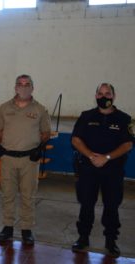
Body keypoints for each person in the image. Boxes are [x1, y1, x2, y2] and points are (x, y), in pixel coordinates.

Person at [71, 83, 133, 258]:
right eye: (100, 93)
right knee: (86, 205)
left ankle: (111, 241)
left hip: (113, 171)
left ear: (114, 96)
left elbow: (128, 144)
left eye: (108, 93)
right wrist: (91, 156)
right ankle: (83, 238)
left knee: (112, 206)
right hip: (88, 169)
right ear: (96, 96)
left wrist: (106, 158)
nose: (104, 96)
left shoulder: (125, 119)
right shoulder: (86, 116)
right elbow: (76, 140)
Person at [0, 74, 51, 245]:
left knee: (28, 195)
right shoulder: (4, 108)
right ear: (15, 87)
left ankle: (26, 229)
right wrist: (9, 144)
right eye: (20, 84)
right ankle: (8, 227)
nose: (23, 87)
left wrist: (36, 148)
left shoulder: (40, 110)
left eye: (27, 84)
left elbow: (46, 133)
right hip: (8, 159)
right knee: (7, 194)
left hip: (29, 160)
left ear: (32, 88)